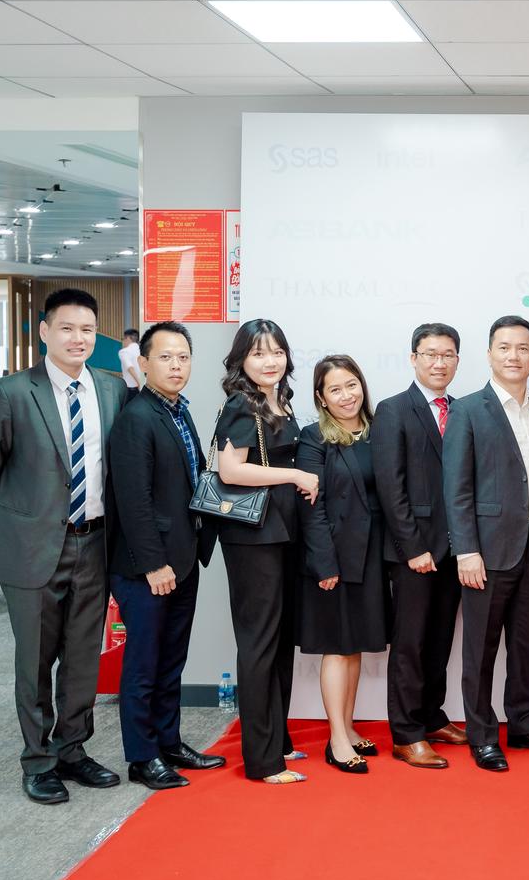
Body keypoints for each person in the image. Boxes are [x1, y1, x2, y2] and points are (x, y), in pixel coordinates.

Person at [0, 287, 127, 804]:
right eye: (67, 328)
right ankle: (38, 761)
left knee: (82, 658)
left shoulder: (111, 389)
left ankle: (72, 750)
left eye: (87, 330)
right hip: (32, 548)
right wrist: (27, 524)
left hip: (95, 543)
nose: (78, 338)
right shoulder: (10, 393)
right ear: (44, 331)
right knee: (35, 659)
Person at [445, 315, 529, 772]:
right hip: (486, 549)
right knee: (480, 649)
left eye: (522, 348)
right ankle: (482, 736)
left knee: (527, 643)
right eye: (504, 347)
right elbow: (457, 488)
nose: (514, 356)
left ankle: (524, 724)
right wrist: (466, 550)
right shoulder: (468, 410)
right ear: (490, 354)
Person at [106, 320, 223, 791]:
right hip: (148, 568)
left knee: (172, 660)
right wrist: (154, 564)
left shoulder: (178, 411)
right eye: (165, 357)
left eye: (183, 357)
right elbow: (133, 500)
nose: (176, 366)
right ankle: (142, 756)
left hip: (183, 558)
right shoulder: (136, 418)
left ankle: (168, 743)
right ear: (143, 362)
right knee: (144, 663)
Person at [214, 319, 318, 784]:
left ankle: (278, 740)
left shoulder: (280, 400)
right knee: (258, 643)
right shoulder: (241, 404)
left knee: (279, 640)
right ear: (242, 360)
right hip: (253, 536)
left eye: (277, 352)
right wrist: (294, 476)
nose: (270, 361)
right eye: (258, 353)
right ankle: (262, 760)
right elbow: (231, 470)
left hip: (283, 531)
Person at [372, 323, 466, 770]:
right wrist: (412, 546)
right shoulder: (393, 410)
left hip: (455, 548)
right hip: (413, 551)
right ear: (413, 358)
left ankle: (432, 716)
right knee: (409, 643)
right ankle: (406, 734)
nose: (438, 362)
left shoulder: (462, 410)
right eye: (430, 354)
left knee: (440, 639)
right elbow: (390, 487)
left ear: (457, 361)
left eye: (447, 355)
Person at [297, 355, 392, 775]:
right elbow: (311, 507)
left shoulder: (376, 430)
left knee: (354, 647)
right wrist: (324, 563)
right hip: (333, 557)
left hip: (370, 556)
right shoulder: (314, 437)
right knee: (337, 648)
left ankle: (348, 727)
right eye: (335, 389)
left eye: (351, 384)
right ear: (321, 397)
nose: (346, 395)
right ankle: (336, 740)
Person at [119, 328, 142, 399]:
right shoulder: (143, 352)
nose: (123, 341)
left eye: (123, 339)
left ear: (128, 338)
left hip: (130, 389)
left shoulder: (124, 352)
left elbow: (130, 367)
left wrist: (139, 383)